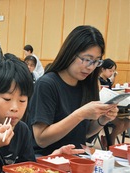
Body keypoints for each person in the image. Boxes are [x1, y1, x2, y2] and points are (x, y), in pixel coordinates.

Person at [28, 25, 119, 156]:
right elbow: (41, 139)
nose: (90, 67)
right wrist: (80, 114)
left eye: (96, 62)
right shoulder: (47, 84)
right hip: (48, 160)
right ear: (70, 53)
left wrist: (103, 119)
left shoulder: (88, 83)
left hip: (76, 158)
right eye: (87, 59)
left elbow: (85, 133)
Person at [99, 58, 129, 146]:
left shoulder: (108, 81)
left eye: (113, 71)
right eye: (110, 71)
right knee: (120, 124)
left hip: (110, 108)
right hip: (103, 110)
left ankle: (107, 138)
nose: (112, 73)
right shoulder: (98, 80)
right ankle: (111, 144)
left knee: (127, 122)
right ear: (103, 69)